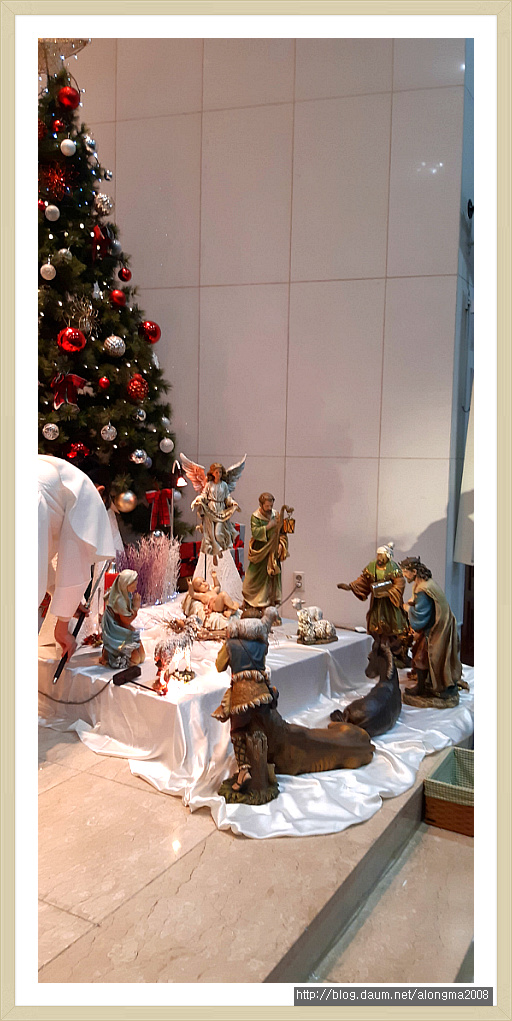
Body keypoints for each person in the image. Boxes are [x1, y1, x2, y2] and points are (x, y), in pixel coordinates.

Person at [38, 455, 115, 658]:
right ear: (100, 491)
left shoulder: (53, 476)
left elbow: (41, 560)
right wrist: (62, 627)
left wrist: (62, 597)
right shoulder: (85, 490)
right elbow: (74, 559)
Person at [400, 556, 464, 705]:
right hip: (434, 625)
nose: (404, 575)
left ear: (414, 572)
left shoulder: (423, 589)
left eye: (406, 572)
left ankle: (425, 687)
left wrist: (407, 608)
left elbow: (421, 615)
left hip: (436, 628)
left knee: (423, 657)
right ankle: (427, 683)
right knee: (420, 654)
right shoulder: (422, 583)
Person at [337, 542, 410, 660]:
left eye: (382, 555)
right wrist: (351, 586)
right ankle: (379, 651)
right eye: (378, 555)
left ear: (388, 556)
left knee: (392, 628)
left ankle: (395, 653)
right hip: (377, 603)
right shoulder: (373, 566)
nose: (379, 558)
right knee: (376, 627)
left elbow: (399, 583)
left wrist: (389, 592)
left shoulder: (393, 568)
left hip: (390, 604)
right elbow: (364, 580)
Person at [180, 454, 246, 562]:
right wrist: (197, 500)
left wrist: (233, 503)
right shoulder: (209, 484)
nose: (218, 474)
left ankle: (222, 551)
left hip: (220, 511)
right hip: (210, 510)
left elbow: (227, 497)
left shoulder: (224, 485)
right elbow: (204, 495)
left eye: (220, 472)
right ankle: (215, 555)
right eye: (216, 472)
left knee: (218, 534)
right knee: (210, 535)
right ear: (212, 473)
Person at [242, 493, 289, 612]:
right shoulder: (255, 517)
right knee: (254, 577)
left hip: (273, 550)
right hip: (260, 550)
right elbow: (255, 533)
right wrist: (268, 526)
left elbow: (282, 532)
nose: (269, 508)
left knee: (271, 577)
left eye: (271, 506)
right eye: (267, 506)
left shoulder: (276, 515)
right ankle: (251, 601)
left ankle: (267, 603)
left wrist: (280, 544)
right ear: (261, 504)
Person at [100, 569, 145, 668]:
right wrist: (136, 608)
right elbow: (126, 621)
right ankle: (115, 655)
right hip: (115, 629)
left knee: (142, 657)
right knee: (136, 659)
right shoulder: (119, 600)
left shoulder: (126, 594)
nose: (136, 586)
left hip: (122, 626)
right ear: (126, 584)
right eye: (133, 584)